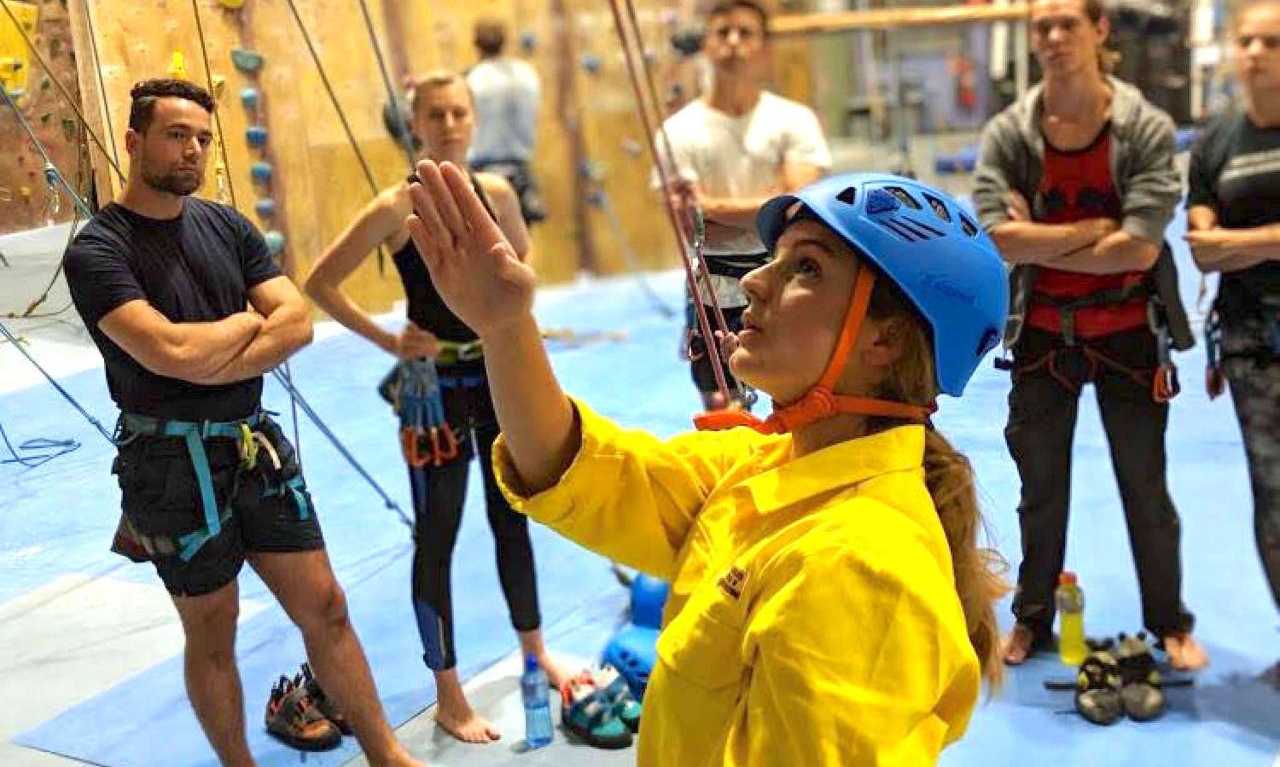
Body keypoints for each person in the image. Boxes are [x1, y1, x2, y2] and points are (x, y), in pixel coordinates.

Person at [407, 163, 1010, 764]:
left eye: (807, 267)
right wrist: (505, 327)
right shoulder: (766, 462)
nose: (754, 282)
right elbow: (582, 472)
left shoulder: (860, 569)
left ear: (885, 342)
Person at [62, 79, 422, 767]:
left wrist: (210, 354)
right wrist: (240, 325)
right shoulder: (99, 250)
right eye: (176, 135)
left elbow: (296, 323)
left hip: (254, 445)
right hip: (169, 467)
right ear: (135, 141)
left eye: (202, 137)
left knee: (328, 607)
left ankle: (386, 755)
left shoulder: (226, 226)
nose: (193, 150)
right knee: (213, 631)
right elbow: (163, 351)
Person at [304, 71, 566, 744]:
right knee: (438, 532)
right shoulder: (396, 207)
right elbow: (320, 283)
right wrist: (392, 338)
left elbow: (520, 271)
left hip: (496, 376)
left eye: (459, 113)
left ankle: (535, 651)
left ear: (474, 120)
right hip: (435, 392)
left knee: (514, 514)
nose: (449, 124)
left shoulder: (500, 194)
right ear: (413, 124)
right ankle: (448, 691)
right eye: (435, 115)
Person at [973, 0, 1206, 670]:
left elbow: (1139, 247)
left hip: (1130, 334)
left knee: (1146, 489)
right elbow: (994, 239)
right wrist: (1091, 229)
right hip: (1044, 337)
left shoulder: (1144, 130)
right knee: (1039, 495)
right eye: (1040, 27)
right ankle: (1033, 621)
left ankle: (1169, 622)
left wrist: (1040, 232)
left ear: (1099, 32)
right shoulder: (1010, 135)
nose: (1050, 38)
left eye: (1066, 24)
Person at [657, 0, 831, 411]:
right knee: (722, 406)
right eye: (722, 32)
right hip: (714, 289)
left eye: (745, 32)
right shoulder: (677, 131)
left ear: (764, 47)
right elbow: (691, 224)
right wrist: (763, 209)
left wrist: (713, 206)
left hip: (785, 281)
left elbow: (793, 207)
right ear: (706, 44)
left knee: (797, 400)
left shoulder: (794, 120)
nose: (733, 41)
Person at [1186, 0, 1280, 629]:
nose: (1254, 53)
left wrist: (1238, 244)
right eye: (1245, 40)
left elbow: (1222, 245)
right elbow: (1201, 250)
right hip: (1253, 344)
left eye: (1270, 42)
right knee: (1274, 496)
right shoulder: (1216, 140)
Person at [465, 19, 547, 226]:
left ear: (476, 45)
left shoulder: (473, 80)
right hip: (520, 171)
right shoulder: (526, 74)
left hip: (485, 172)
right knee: (522, 243)